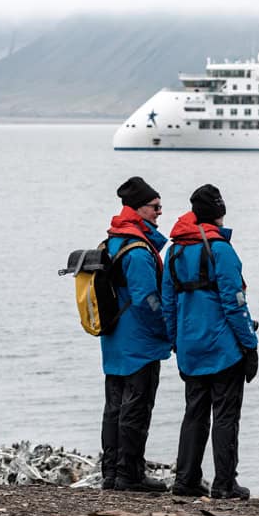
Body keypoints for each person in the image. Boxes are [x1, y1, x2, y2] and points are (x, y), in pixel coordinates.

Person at [162, 184, 259, 499]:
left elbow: (168, 304)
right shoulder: (221, 250)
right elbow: (235, 303)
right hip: (223, 349)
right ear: (220, 213)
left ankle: (186, 480)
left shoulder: (174, 251)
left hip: (190, 348)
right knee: (226, 414)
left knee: (194, 413)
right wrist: (250, 344)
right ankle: (224, 483)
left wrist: (176, 341)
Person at [100, 176, 172, 492]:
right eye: (155, 207)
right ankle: (130, 474)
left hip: (113, 338)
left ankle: (111, 473)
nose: (159, 213)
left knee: (114, 407)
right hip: (139, 343)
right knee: (136, 407)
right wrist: (167, 331)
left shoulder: (110, 242)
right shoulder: (139, 250)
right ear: (139, 209)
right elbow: (147, 300)